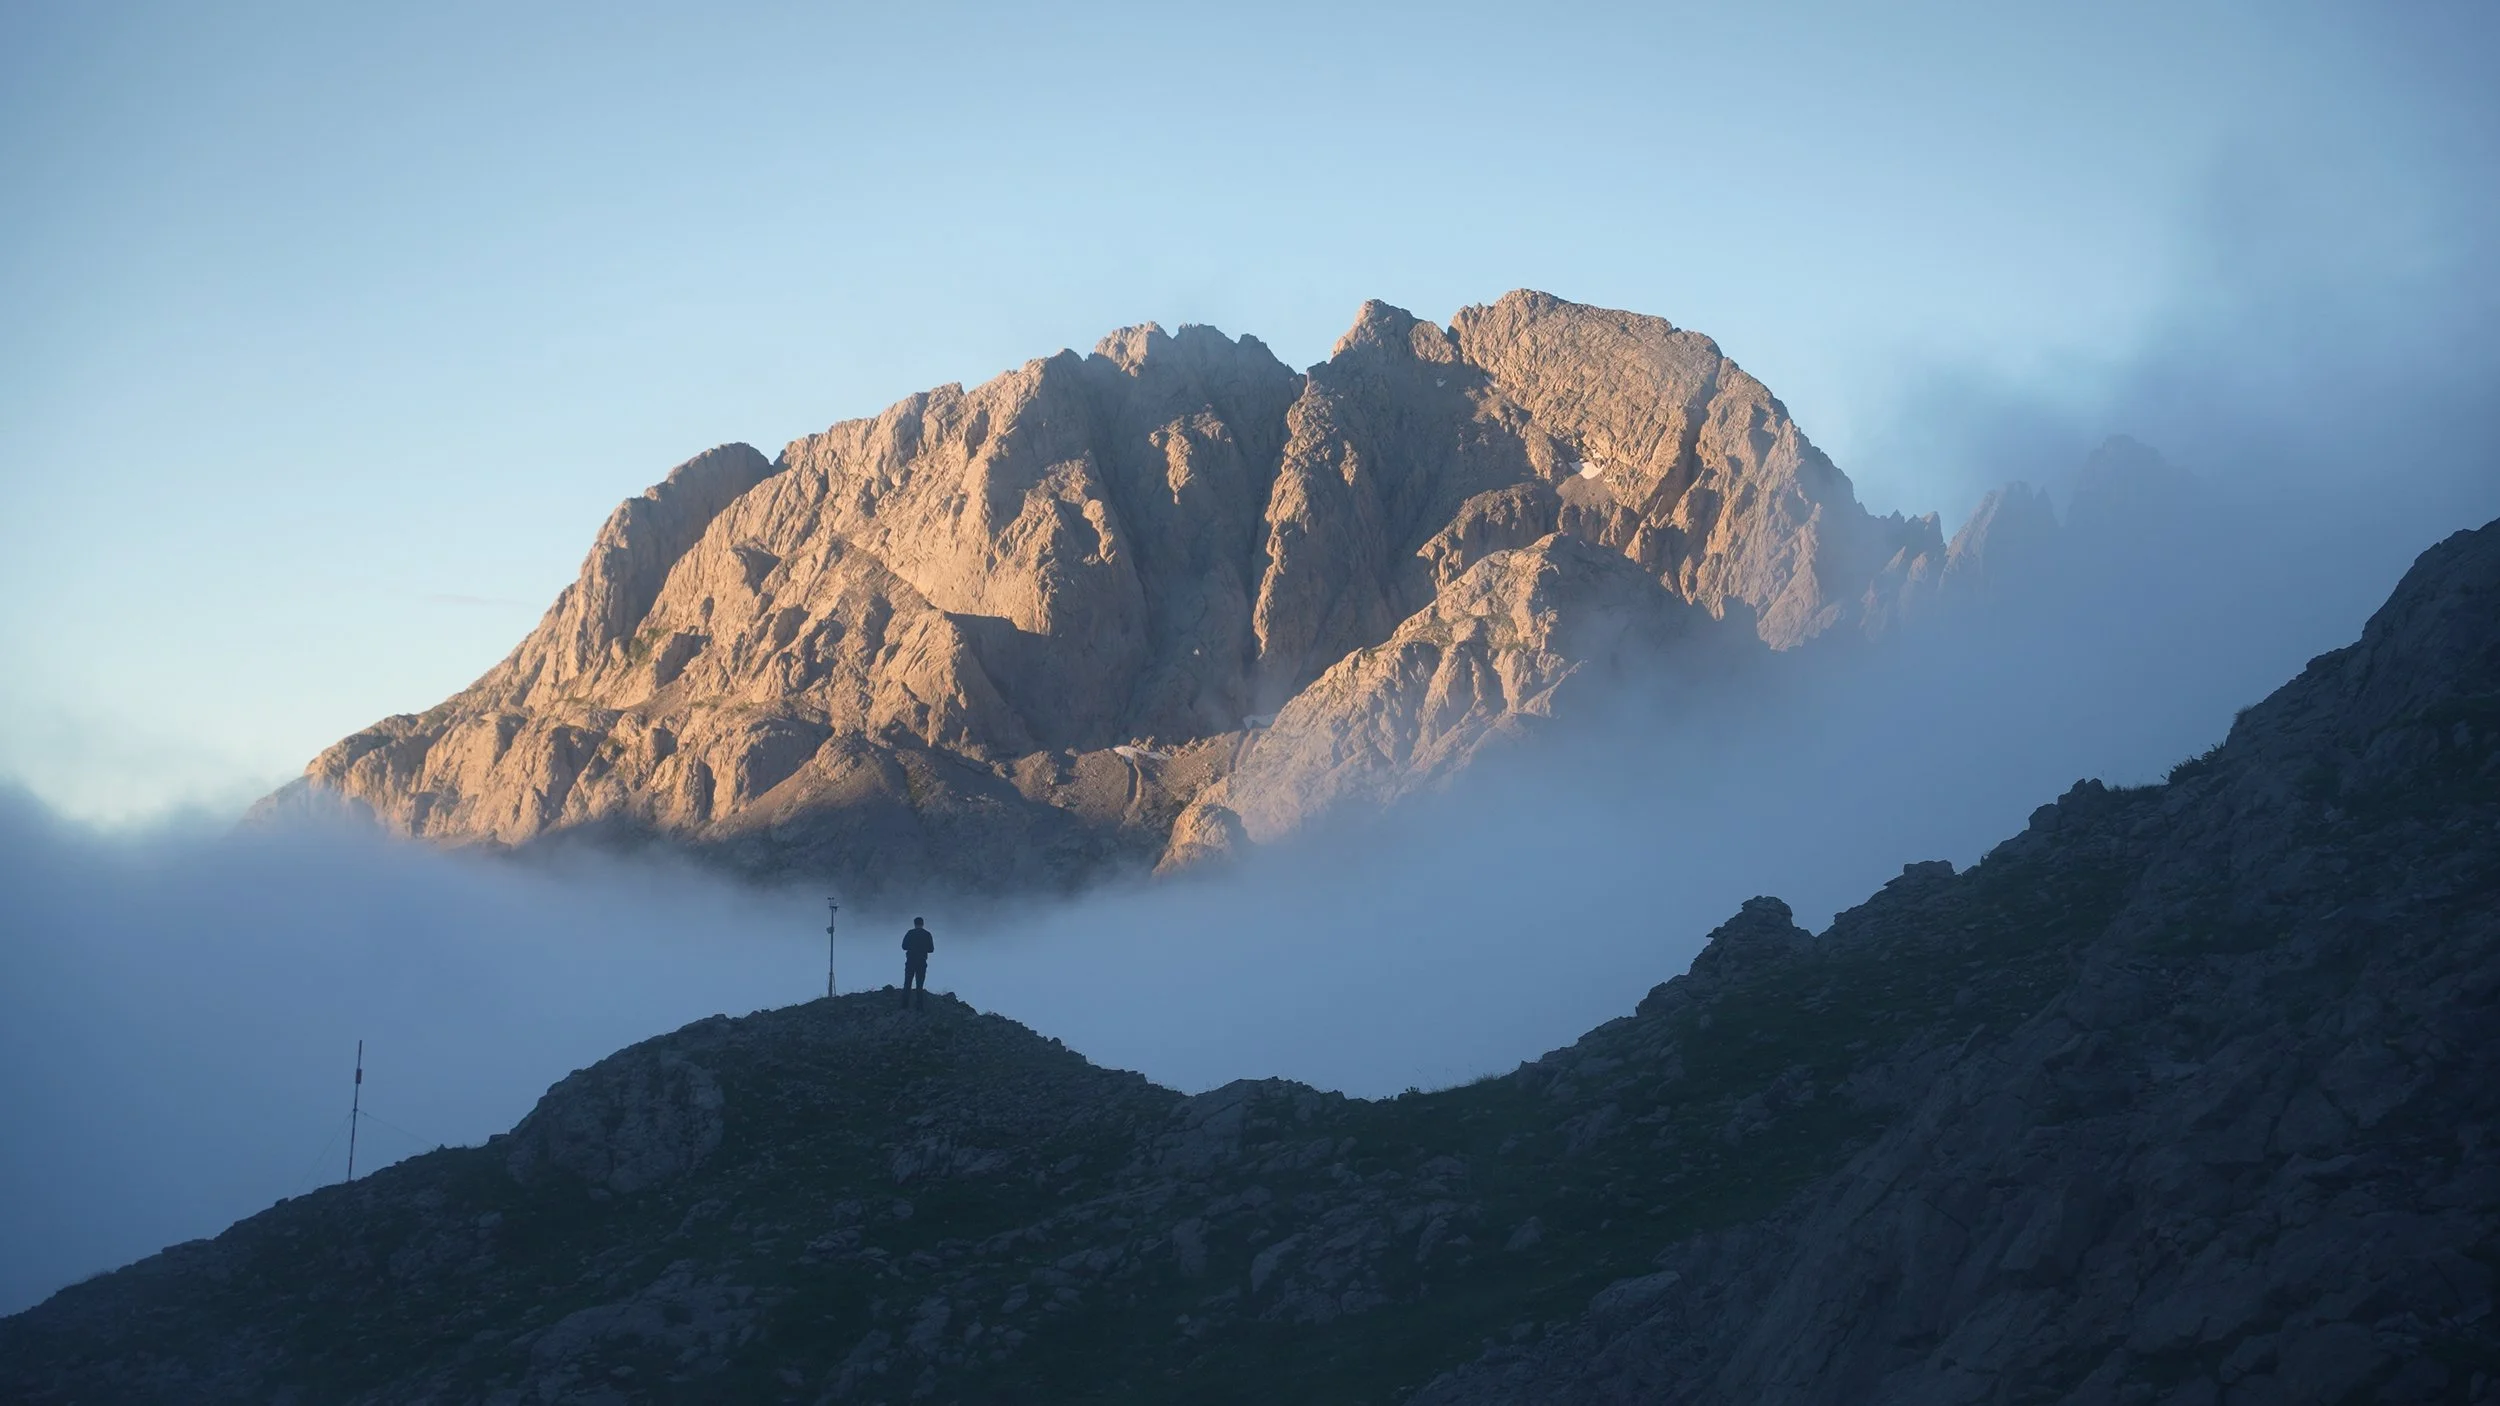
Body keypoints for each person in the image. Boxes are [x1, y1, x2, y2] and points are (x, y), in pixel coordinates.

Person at [900, 917, 935, 1007]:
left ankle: (905, 1004)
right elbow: (931, 949)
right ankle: (919, 1005)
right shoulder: (927, 934)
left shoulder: (910, 933)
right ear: (923, 924)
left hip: (910, 960)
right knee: (919, 984)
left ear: (914, 924)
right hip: (922, 961)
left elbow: (904, 946)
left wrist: (912, 947)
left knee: (907, 982)